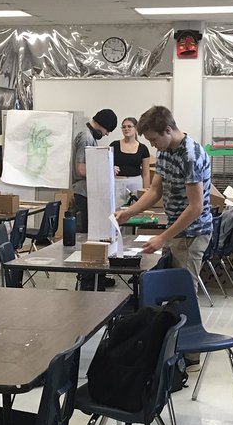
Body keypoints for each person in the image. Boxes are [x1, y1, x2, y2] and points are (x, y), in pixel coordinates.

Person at [115, 105, 214, 289]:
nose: (152, 144)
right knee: (168, 290)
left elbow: (196, 207)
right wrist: (128, 213)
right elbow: (154, 191)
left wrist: (162, 237)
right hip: (175, 230)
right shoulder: (164, 150)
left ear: (168, 130)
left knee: (183, 293)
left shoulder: (190, 156)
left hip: (192, 234)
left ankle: (188, 319)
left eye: (153, 139)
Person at [71, 108, 118, 233]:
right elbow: (81, 169)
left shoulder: (91, 138)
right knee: (85, 232)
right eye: (107, 130)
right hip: (83, 192)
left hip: (88, 192)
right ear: (102, 124)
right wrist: (106, 170)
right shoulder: (86, 137)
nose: (107, 134)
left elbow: (90, 164)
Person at [110, 116, 151, 207]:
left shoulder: (143, 148)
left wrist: (145, 191)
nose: (126, 129)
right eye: (124, 127)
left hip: (135, 183)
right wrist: (110, 168)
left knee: (136, 210)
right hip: (117, 184)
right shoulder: (114, 145)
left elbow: (146, 172)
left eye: (129, 126)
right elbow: (105, 164)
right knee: (116, 210)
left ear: (135, 128)